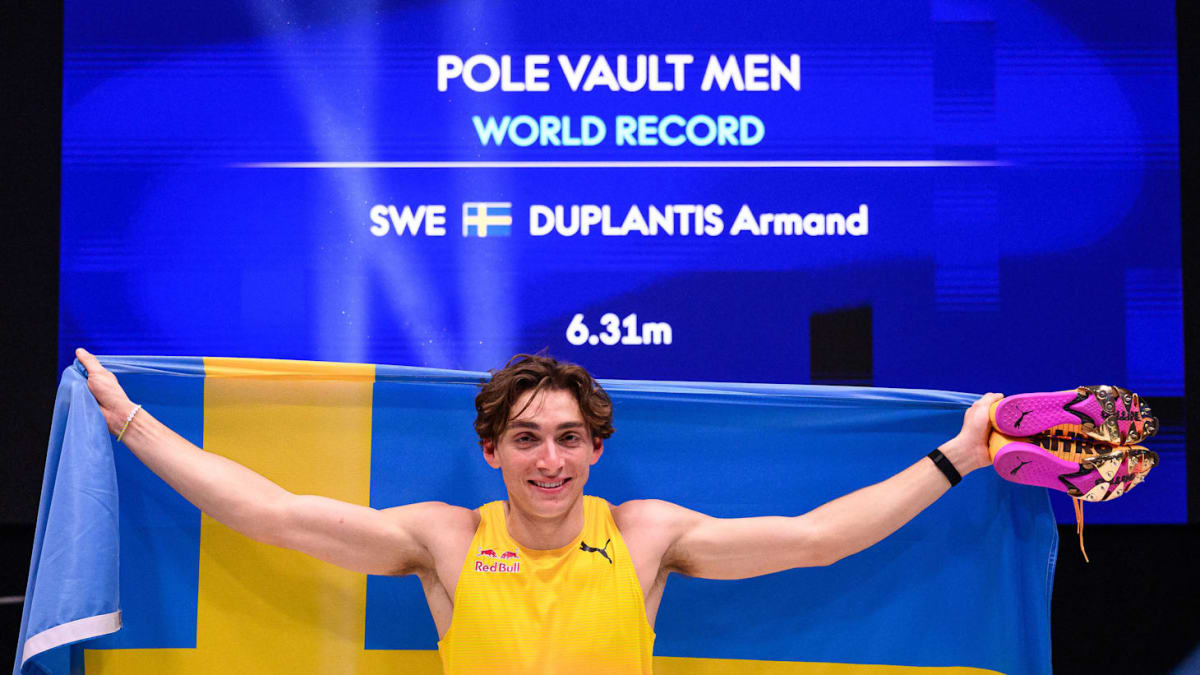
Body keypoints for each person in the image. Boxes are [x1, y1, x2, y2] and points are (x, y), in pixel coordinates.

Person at [74, 348, 1001, 674]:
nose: (548, 459)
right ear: (492, 450)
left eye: (566, 437)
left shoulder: (645, 533)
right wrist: (130, 421)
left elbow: (819, 539)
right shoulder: (443, 536)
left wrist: (958, 455)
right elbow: (273, 512)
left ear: (596, 446)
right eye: (525, 437)